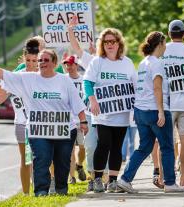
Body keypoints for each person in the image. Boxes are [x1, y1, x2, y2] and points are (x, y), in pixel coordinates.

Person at [0, 49, 88, 196]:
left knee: (62, 161)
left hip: (64, 130)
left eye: (46, 60)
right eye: (40, 61)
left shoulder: (64, 80)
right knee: (41, 159)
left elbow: (77, 103)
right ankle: (41, 191)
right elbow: (5, 75)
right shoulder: (28, 79)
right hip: (38, 130)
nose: (42, 63)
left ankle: (61, 189)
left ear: (54, 63)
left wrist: (83, 121)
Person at [117, 31, 184, 193]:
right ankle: (170, 183)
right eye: (164, 44)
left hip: (141, 111)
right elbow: (157, 88)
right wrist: (161, 112)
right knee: (167, 147)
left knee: (145, 147)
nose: (165, 48)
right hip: (155, 110)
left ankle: (125, 179)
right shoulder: (157, 63)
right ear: (160, 44)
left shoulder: (143, 63)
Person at [0, 38, 40, 195]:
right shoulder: (17, 76)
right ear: (24, 59)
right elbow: (1, 93)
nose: (31, 64)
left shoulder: (43, 75)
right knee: (26, 160)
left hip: (42, 124)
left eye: (34, 61)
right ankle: (26, 194)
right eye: (28, 60)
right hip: (22, 125)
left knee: (43, 159)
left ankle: (45, 189)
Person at [84, 28, 137, 193]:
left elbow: (135, 85)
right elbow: (87, 82)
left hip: (121, 114)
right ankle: (98, 178)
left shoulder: (127, 62)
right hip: (102, 113)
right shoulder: (97, 61)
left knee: (117, 147)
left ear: (118, 43)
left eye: (112, 41)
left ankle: (113, 181)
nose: (109, 45)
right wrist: (92, 100)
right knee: (104, 144)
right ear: (102, 44)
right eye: (106, 42)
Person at [162, 20, 184, 189]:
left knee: (166, 142)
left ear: (169, 34)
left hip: (167, 103)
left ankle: (163, 178)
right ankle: (183, 178)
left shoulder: (163, 50)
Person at [67, 15, 99, 191]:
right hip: (91, 113)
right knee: (91, 146)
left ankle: (108, 178)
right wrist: (70, 30)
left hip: (110, 114)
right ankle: (93, 177)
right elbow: (77, 49)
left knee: (107, 146)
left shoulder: (119, 63)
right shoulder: (92, 62)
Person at [62, 55, 87, 184]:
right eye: (66, 64)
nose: (69, 67)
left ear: (76, 65)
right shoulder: (63, 80)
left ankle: (79, 165)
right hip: (68, 121)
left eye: (71, 64)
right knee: (70, 149)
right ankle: (72, 177)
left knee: (82, 148)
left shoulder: (83, 81)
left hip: (81, 119)